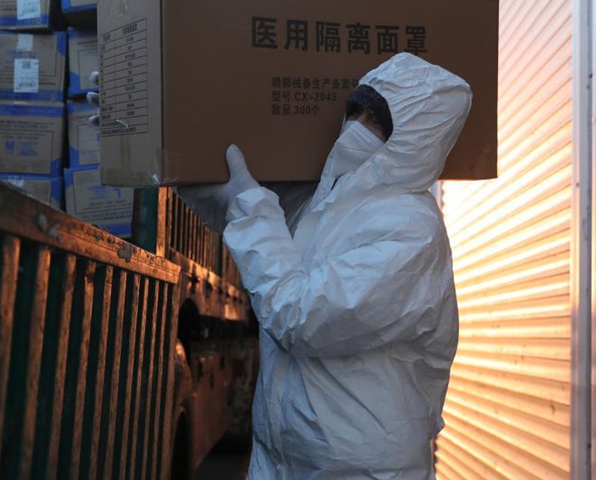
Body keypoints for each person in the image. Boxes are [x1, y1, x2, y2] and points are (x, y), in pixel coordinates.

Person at [93, 52, 472, 479]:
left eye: (377, 121)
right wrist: (144, 134)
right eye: (356, 111)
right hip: (283, 458)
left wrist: (248, 207)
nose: (356, 127)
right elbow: (239, 216)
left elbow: (300, 316)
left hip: (361, 470)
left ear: (417, 140)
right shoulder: (325, 205)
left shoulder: (411, 232)